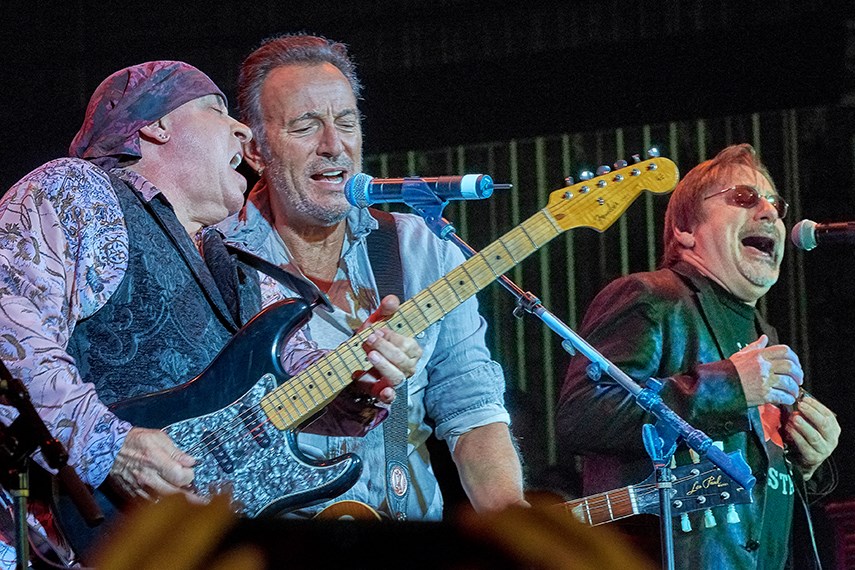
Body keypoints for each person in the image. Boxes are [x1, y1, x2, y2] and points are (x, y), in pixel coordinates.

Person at [0, 60, 420, 567]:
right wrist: (108, 444)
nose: (243, 130)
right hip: (73, 539)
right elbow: (9, 326)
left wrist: (361, 379)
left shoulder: (240, 266)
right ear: (156, 125)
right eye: (218, 110)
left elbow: (300, 384)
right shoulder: (79, 192)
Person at [221, 34, 526, 520]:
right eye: (305, 126)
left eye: (346, 123)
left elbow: (472, 410)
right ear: (256, 150)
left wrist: (514, 525)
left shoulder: (422, 248)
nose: (333, 145)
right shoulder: (214, 257)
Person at [555, 144, 840, 569]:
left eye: (776, 205)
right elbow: (583, 415)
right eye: (744, 198)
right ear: (687, 228)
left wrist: (808, 460)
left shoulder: (764, 334)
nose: (771, 214)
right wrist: (727, 386)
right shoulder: (651, 297)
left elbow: (751, 503)